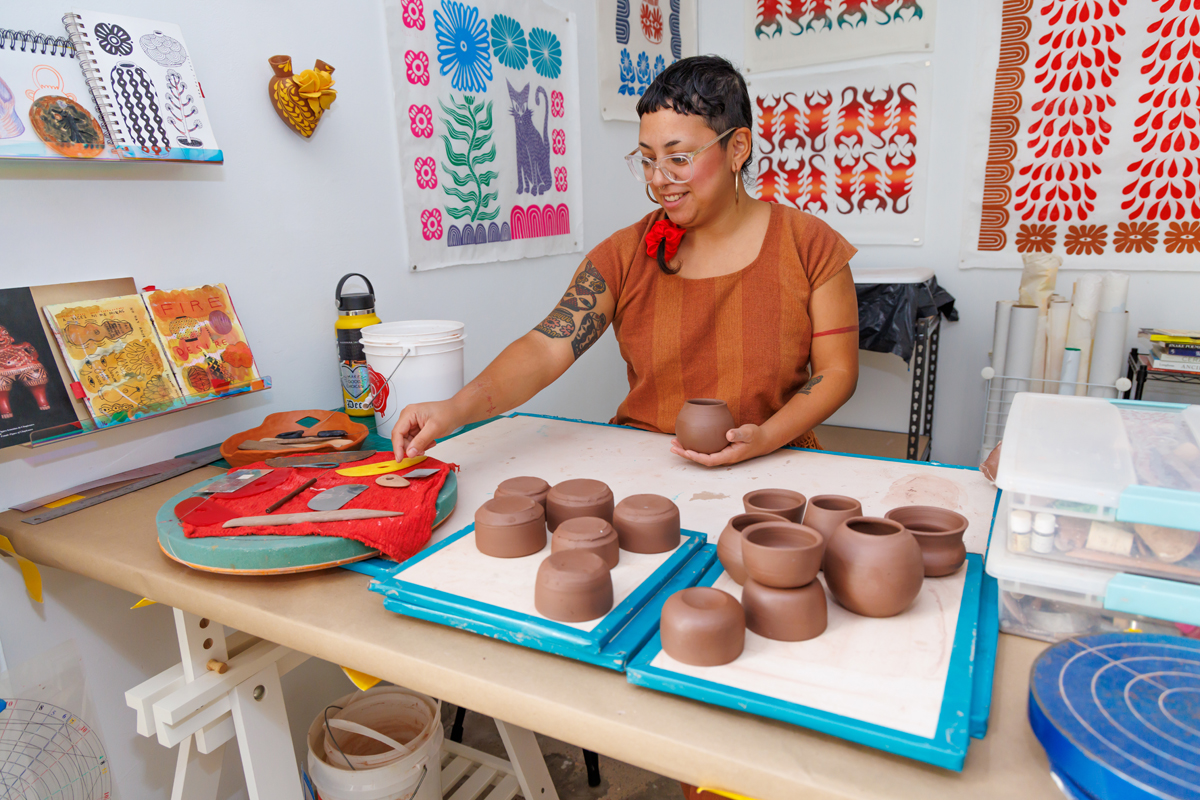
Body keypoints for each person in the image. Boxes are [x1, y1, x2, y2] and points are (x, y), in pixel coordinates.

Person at [392, 55, 859, 467]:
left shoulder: (809, 245)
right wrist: (452, 410)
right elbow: (544, 348)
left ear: (737, 147)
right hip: (648, 464)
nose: (659, 180)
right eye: (647, 160)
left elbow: (837, 372)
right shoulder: (626, 253)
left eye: (678, 158)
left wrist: (766, 438)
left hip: (776, 460)